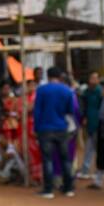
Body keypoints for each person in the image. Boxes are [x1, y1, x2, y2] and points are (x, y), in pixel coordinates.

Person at [33, 66, 75, 198]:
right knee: (65, 159)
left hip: (45, 128)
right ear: (60, 76)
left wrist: (36, 128)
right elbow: (70, 110)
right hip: (61, 127)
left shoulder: (41, 90)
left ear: (48, 75)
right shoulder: (67, 90)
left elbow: (37, 111)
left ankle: (48, 190)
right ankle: (68, 188)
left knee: (47, 159)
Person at [78, 72, 102, 179]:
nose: (92, 80)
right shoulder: (86, 92)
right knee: (89, 147)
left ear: (98, 80)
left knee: (98, 148)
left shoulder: (100, 92)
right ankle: (85, 169)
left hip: (99, 123)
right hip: (89, 123)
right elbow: (83, 106)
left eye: (95, 78)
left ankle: (100, 170)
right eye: (91, 77)